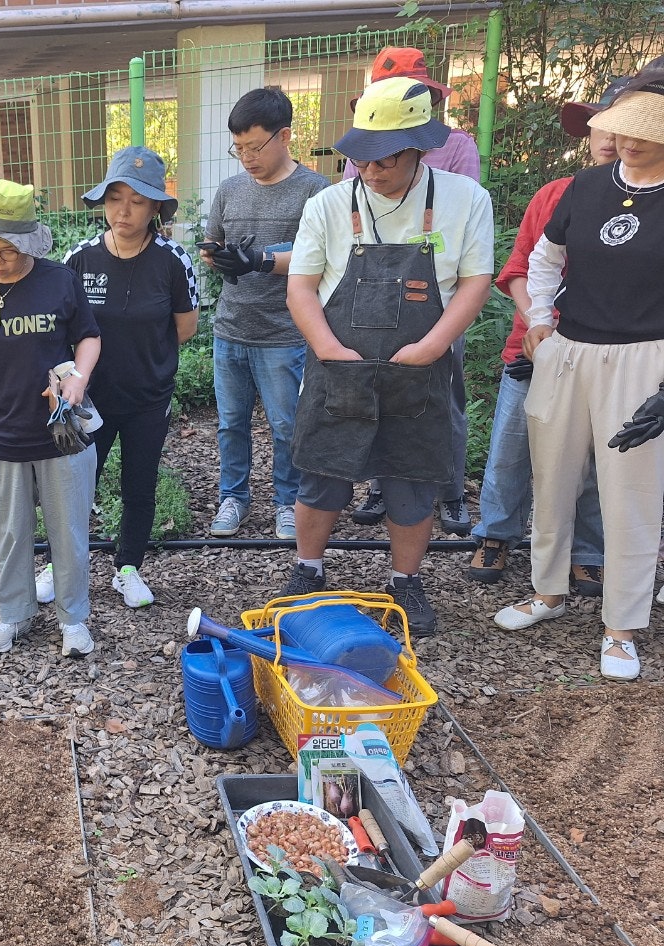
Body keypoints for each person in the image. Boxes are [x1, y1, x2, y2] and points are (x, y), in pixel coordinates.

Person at [280, 76, 494, 637]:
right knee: (321, 474)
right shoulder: (328, 204)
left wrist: (432, 345)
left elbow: (475, 282)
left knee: (412, 479)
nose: (369, 172)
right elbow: (301, 287)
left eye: (384, 161)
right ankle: (308, 571)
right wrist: (330, 349)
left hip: (421, 368)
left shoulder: (465, 200)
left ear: (419, 149)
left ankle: (404, 580)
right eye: (362, 160)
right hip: (338, 362)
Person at [493, 68, 664, 680]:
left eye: (644, 129)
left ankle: (621, 625)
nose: (630, 140)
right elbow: (545, 257)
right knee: (553, 476)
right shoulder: (587, 186)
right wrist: (540, 321)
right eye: (621, 127)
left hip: (646, 356)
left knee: (631, 492)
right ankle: (548, 592)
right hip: (570, 349)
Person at [467, 80, 633, 590]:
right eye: (599, 123)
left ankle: (588, 548)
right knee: (511, 446)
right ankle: (495, 534)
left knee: (598, 453)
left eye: (620, 124)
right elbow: (519, 267)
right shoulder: (556, 193)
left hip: (613, 352)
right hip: (535, 347)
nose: (607, 135)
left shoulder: (650, 202)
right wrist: (537, 321)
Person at [0, 177, 102, 656]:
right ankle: (15, 615)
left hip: (61, 435)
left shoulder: (59, 280)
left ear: (28, 243)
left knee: (69, 531)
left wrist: (80, 379)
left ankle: (73, 620)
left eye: (6, 250)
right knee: (10, 534)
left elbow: (89, 336)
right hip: (0, 435)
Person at [44, 146, 198, 608]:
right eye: (115, 198)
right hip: (89, 399)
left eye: (137, 200)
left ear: (155, 207)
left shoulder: (174, 260)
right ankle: (58, 563)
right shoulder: (80, 259)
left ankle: (127, 567)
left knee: (139, 483)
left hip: (149, 399)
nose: (123, 210)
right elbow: (61, 329)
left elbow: (184, 328)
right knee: (73, 484)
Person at [342, 47, 481, 537]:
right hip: (370, 295)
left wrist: (436, 337)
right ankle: (383, 483)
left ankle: (450, 490)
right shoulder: (361, 162)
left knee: (444, 401)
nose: (372, 168)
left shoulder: (458, 149)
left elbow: (459, 235)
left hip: (439, 303)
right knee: (376, 394)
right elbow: (352, 217)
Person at [200, 87, 328, 541]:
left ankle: (287, 503)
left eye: (255, 147)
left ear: (285, 136)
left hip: (285, 332)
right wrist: (220, 255)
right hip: (231, 328)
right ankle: (232, 498)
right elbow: (210, 243)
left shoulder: (315, 190)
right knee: (231, 424)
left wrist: (260, 260)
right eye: (238, 149)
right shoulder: (230, 189)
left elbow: (324, 253)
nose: (246, 158)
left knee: (285, 425)